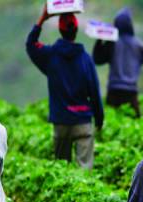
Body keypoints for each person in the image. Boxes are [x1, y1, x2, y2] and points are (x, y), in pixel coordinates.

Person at [26, 5, 104, 169]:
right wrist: (99, 119)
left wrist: (42, 18)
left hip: (60, 121)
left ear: (61, 31)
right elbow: (95, 93)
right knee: (85, 173)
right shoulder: (85, 59)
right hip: (83, 121)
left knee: (62, 170)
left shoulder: (50, 55)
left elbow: (30, 44)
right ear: (76, 31)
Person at [93, 7, 143, 118]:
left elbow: (97, 59)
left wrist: (100, 39)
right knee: (134, 120)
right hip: (131, 91)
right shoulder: (138, 46)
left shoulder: (112, 43)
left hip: (114, 90)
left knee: (111, 121)